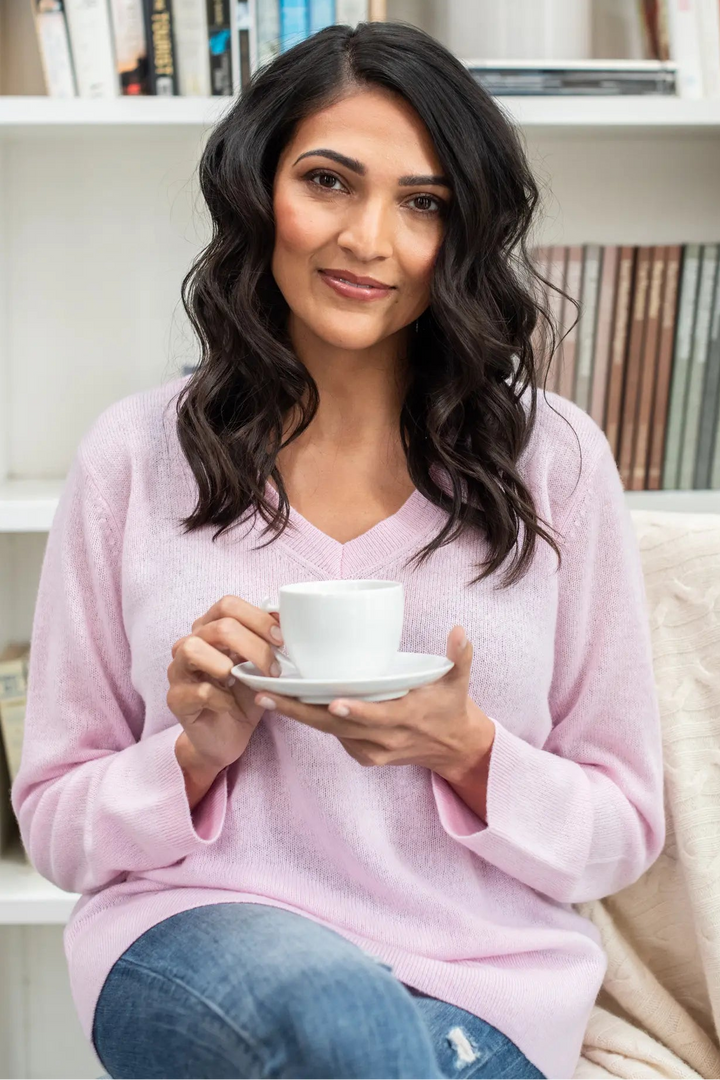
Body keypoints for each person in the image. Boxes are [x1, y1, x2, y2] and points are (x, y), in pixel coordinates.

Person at [12, 20, 665, 1080]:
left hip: (481, 992)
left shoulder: (555, 463)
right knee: (333, 1014)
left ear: (462, 233)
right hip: (194, 940)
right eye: (328, 181)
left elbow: (623, 830)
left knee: (371, 1049)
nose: (369, 238)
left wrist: (466, 749)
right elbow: (55, 825)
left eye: (423, 202)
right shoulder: (134, 455)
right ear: (258, 189)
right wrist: (194, 753)